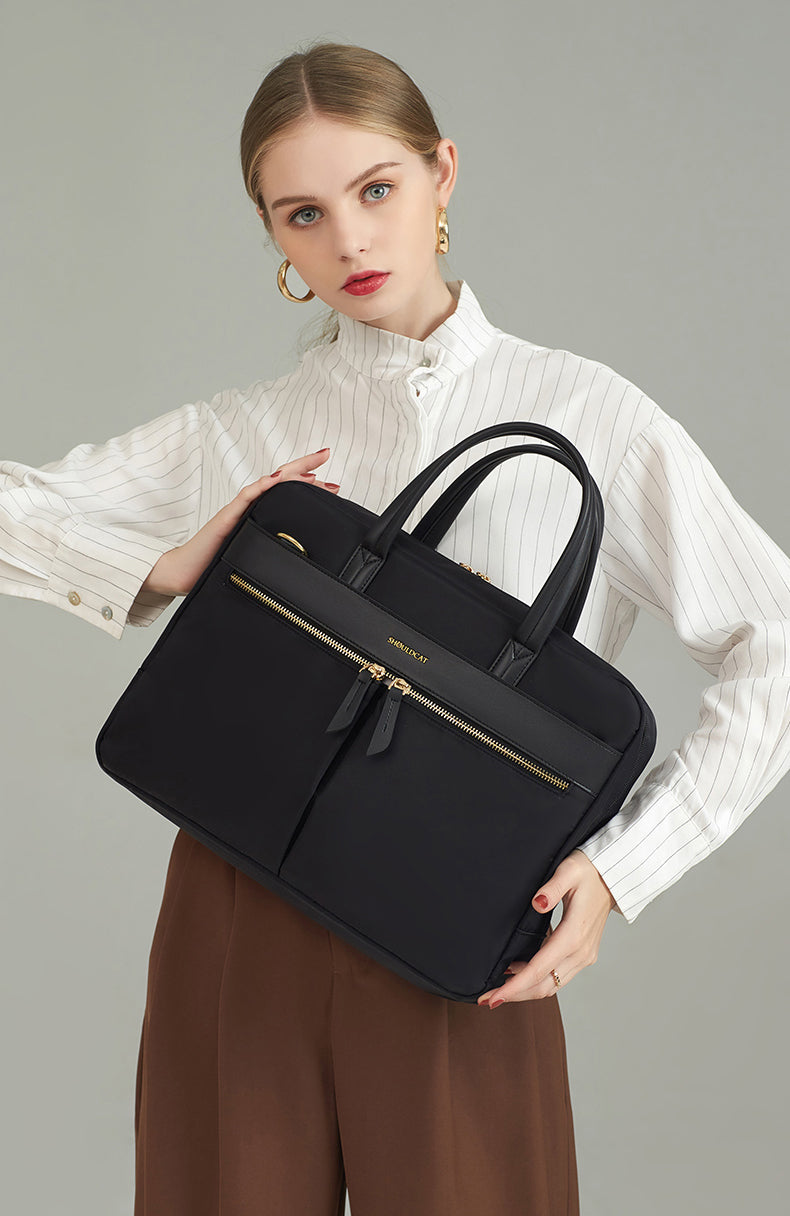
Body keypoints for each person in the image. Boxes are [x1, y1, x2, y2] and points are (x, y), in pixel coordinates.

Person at [2, 38, 790, 1216]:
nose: (350, 241)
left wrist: (624, 867)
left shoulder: (592, 418)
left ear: (441, 174)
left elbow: (773, 636)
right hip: (239, 909)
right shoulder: (248, 430)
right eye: (303, 214)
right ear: (271, 234)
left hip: (462, 924)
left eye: (376, 189)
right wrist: (154, 567)